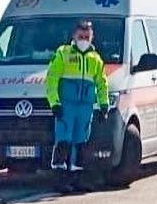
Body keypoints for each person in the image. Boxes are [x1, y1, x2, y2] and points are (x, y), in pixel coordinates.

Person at [45, 21, 109, 193]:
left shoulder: (95, 59)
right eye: (80, 36)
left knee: (81, 142)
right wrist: (54, 103)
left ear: (91, 37)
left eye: (87, 37)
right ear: (74, 36)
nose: (83, 40)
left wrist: (104, 104)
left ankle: (77, 179)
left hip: (85, 107)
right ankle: (60, 179)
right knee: (63, 141)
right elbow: (51, 80)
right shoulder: (63, 53)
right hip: (66, 106)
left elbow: (102, 83)